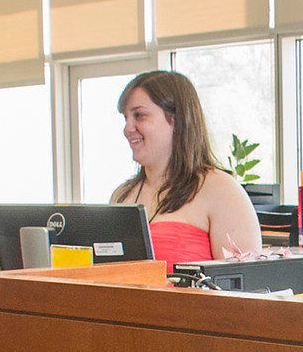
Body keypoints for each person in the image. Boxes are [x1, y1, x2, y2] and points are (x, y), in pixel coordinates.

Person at [109, 70, 261, 264]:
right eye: (125, 118)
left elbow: (245, 285)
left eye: (139, 116)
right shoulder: (122, 196)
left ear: (177, 120)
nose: (127, 129)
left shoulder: (222, 191)